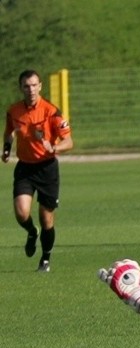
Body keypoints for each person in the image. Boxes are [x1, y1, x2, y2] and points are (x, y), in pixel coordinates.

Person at [2, 69, 74, 272]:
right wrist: (6, 149)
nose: (31, 89)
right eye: (26, 86)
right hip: (24, 167)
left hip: (47, 168)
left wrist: (55, 147)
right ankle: (31, 232)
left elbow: (69, 141)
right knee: (21, 213)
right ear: (21, 88)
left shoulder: (51, 111)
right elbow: (9, 133)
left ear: (40, 86)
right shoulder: (14, 111)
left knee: (46, 218)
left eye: (34, 85)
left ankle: (45, 258)